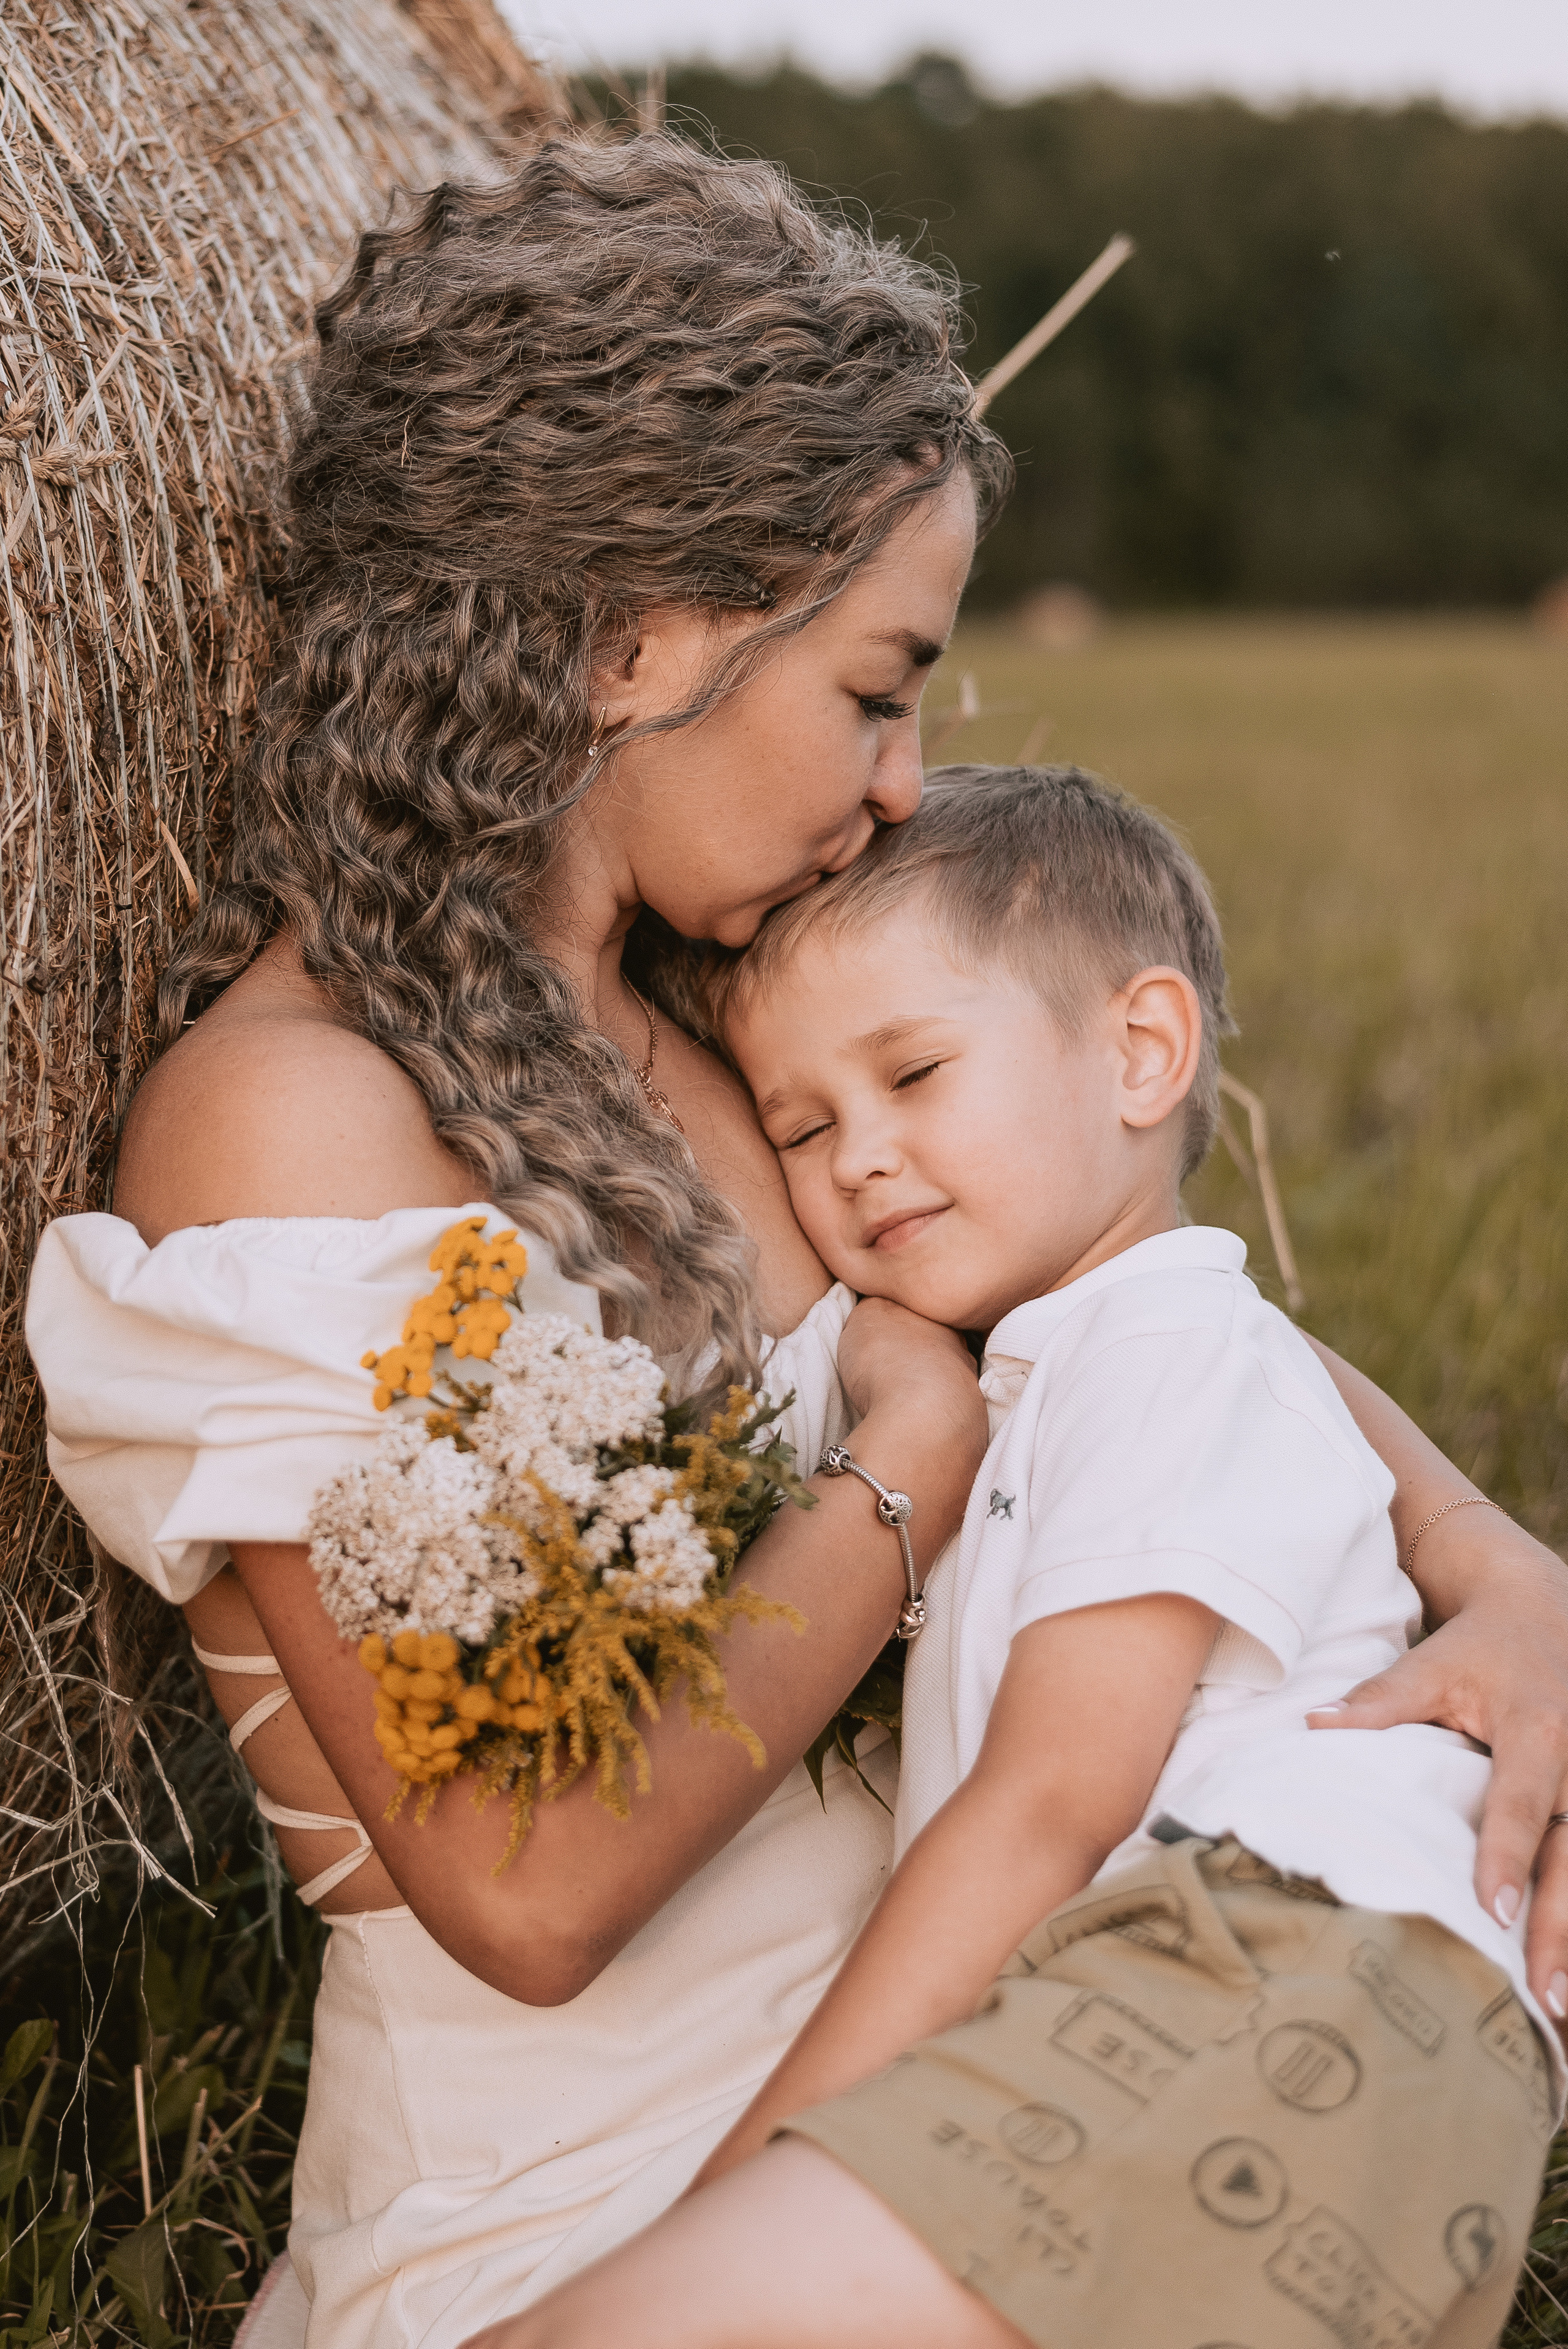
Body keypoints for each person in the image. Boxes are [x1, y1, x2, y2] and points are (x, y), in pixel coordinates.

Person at [21, 132, 1568, 2349]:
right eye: (873, 682)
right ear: (637, 634)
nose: (910, 777)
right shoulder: (301, 1119)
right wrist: (899, 1466)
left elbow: (1127, 1331)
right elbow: (529, 1885)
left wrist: (1499, 1563)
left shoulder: (706, 1040)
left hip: (973, 2055)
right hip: (608, 2210)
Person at [475, 764, 1561, 2349]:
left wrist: (744, 2178)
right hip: (1300, 2025)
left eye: (914, 1072)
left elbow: (1052, 1803)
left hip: (1264, 1973)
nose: (856, 1156)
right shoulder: (1086, 1356)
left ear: (1143, 1053)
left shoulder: (1165, 1350)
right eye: (802, 1122)